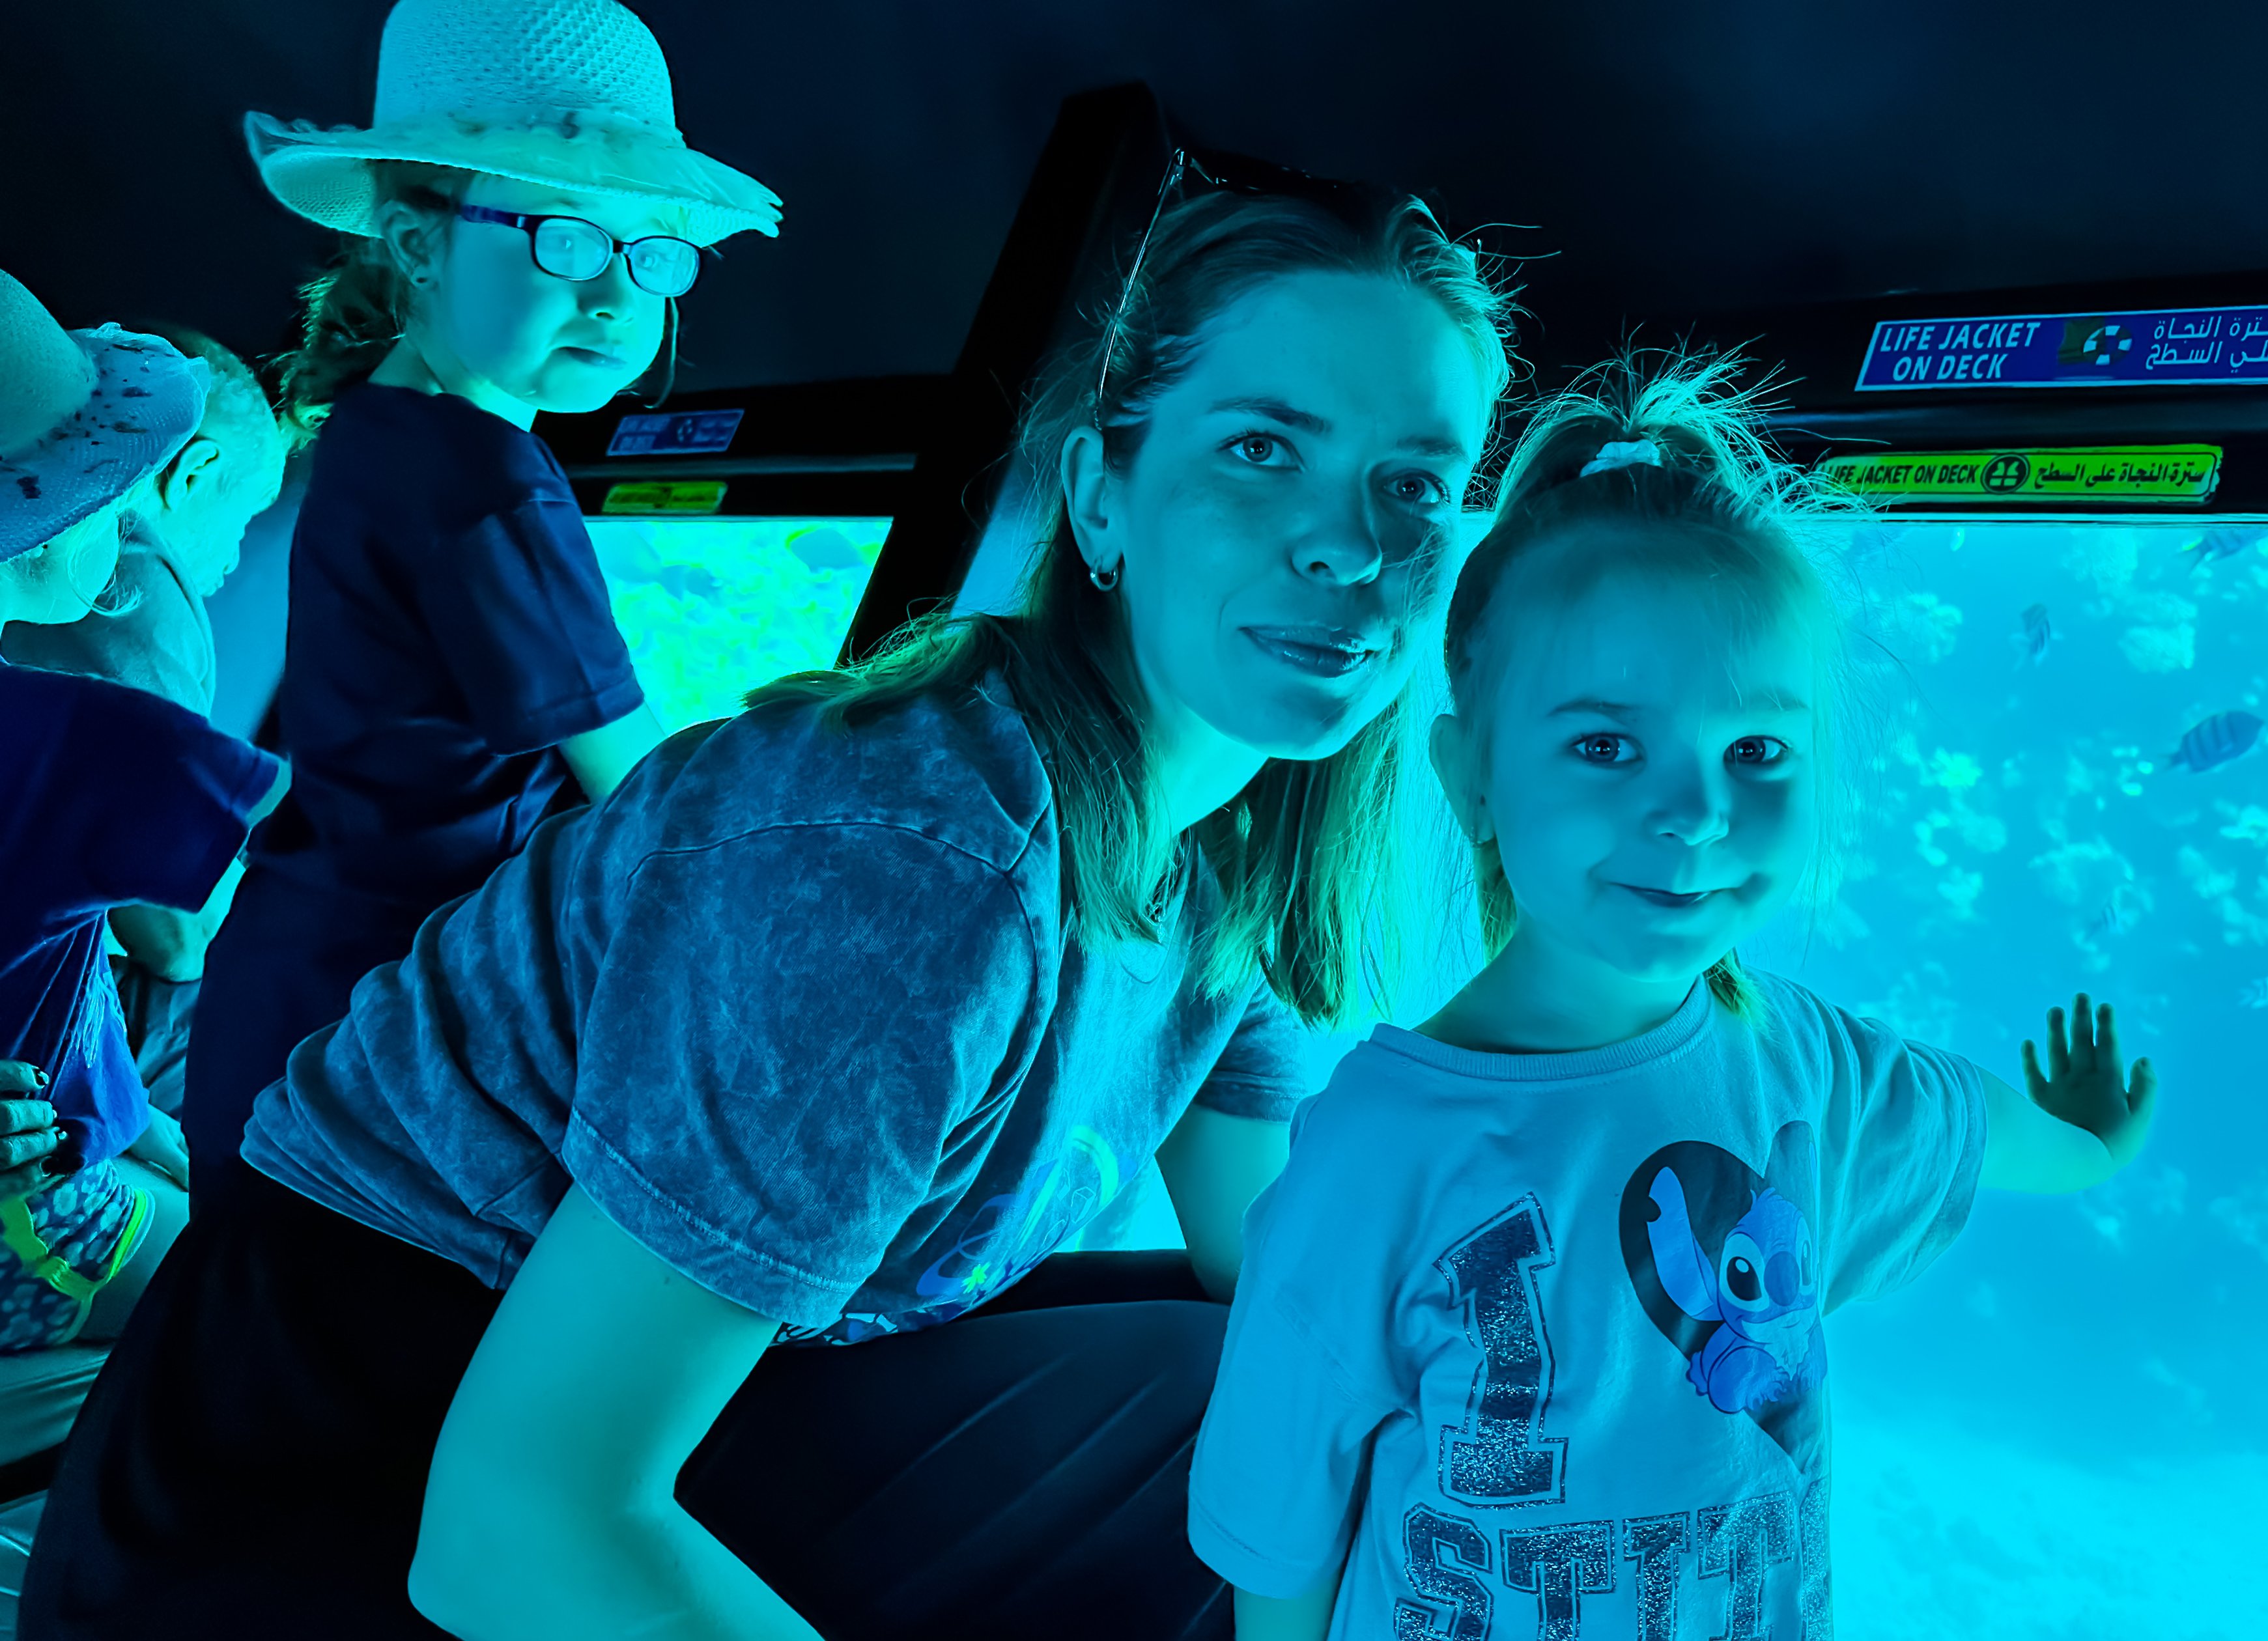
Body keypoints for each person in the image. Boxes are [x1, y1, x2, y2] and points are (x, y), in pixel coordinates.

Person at [20, 146, 1518, 1640]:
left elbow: (1270, 1262)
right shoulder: (913, 869)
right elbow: (508, 1530)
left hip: (509, 1399)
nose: (1350, 543)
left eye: (1415, 485)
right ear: (1100, 498)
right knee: (1227, 1426)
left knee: (1282, 1378)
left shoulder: (1211, 855)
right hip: (298, 1502)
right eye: (1263, 448)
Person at [1184, 355, 2166, 1640]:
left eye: (1757, 750)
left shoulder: (1800, 1062)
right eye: (1605, 745)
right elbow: (1279, 1531)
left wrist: (2089, 1149)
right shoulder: (1376, 1145)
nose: (1697, 812)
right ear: (1469, 777)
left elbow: (1961, 1122)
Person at [182, 0, 782, 1216]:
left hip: (297, 987)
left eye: (651, 253)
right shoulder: (487, 481)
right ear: (415, 244)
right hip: (393, 1041)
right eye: (565, 239)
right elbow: (645, 792)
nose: (617, 298)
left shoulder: (376, 429)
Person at [0, 270, 290, 1358]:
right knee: (255, 1296)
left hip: (61, 1115)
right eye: (112, 485)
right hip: (22, 1213)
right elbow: (198, 926)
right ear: (43, 519)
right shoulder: (93, 739)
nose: (131, 521)